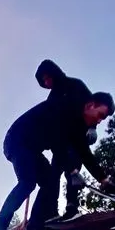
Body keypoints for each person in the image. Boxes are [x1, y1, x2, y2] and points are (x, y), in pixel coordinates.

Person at [0, 92, 115, 230]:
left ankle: (35, 228)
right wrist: (73, 171)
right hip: (17, 141)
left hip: (32, 149)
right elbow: (58, 146)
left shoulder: (77, 124)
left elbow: (84, 153)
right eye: (100, 115)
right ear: (90, 105)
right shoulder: (66, 109)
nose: (99, 121)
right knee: (27, 182)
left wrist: (103, 179)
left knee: (50, 181)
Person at [35, 59, 97, 221]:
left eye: (48, 78)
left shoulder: (76, 85)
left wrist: (92, 127)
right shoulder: (52, 98)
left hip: (77, 138)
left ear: (54, 74)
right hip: (60, 143)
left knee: (73, 172)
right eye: (44, 81)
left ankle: (72, 206)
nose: (47, 83)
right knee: (54, 173)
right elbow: (49, 123)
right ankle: (51, 210)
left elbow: (92, 106)